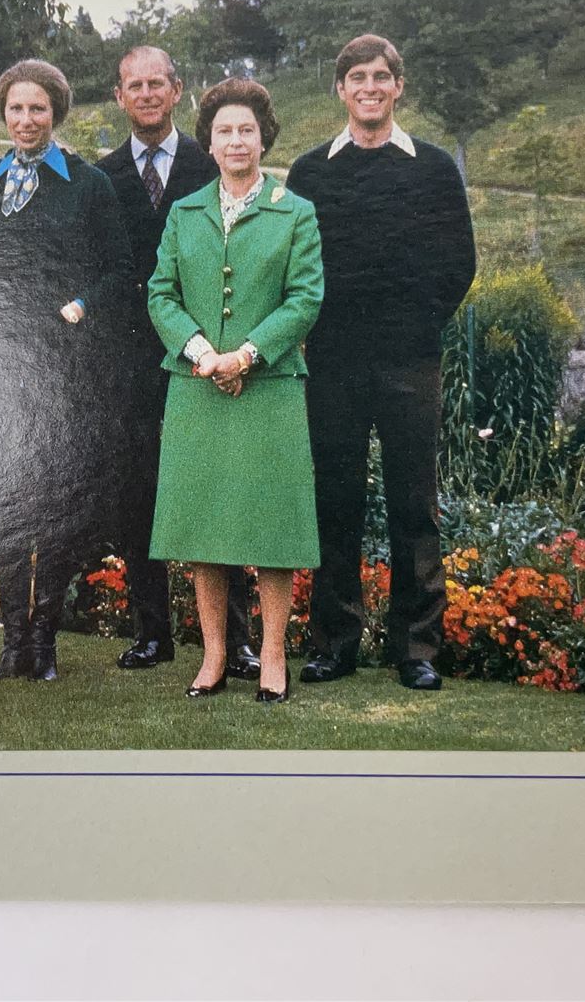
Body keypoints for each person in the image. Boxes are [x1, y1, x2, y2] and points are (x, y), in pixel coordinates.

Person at [286, 35, 477, 690]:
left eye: (381, 76)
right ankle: (333, 644)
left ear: (399, 86)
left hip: (410, 361)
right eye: (356, 76)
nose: (369, 86)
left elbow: (459, 264)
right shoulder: (310, 173)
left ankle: (416, 648)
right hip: (333, 362)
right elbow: (296, 269)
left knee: (413, 506)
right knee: (335, 500)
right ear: (340, 89)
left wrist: (415, 327)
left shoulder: (432, 169)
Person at [0, 59, 133, 682]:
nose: (26, 120)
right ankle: (11, 644)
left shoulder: (88, 184)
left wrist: (82, 303)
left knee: (53, 510)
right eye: (16, 109)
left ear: (56, 114)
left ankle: (44, 643)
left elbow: (121, 269)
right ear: (5, 113)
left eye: (38, 109)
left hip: (64, 374)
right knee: (7, 504)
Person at [148, 78, 324, 704]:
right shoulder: (185, 210)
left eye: (246, 129)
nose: (235, 140)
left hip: (269, 386)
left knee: (273, 525)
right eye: (224, 130)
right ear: (210, 140)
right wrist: (202, 354)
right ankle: (215, 655)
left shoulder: (294, 211)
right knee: (202, 526)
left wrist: (245, 355)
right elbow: (160, 292)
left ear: (263, 135)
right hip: (196, 386)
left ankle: (273, 654)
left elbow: (306, 298)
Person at [95, 46, 259, 678]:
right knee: (140, 493)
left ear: (177, 90)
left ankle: (237, 640)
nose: (145, 94)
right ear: (119, 96)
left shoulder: (208, 163)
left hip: (206, 356)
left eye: (156, 83)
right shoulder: (102, 176)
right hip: (130, 361)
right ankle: (151, 632)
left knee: (220, 487)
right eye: (133, 85)